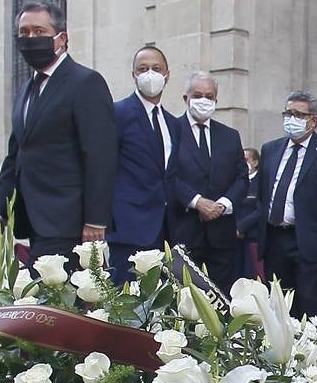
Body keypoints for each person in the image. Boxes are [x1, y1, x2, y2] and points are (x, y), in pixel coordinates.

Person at [0, 0, 117, 261]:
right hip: (34, 221)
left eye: (39, 31)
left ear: (61, 38)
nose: (30, 38)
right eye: (24, 32)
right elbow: (16, 156)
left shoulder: (85, 83)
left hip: (72, 224)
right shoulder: (26, 89)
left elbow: (100, 155)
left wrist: (96, 220)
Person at [258, 90, 317, 319]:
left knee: (311, 307)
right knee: (279, 308)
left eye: (298, 114)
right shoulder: (270, 149)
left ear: (313, 120)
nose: (291, 119)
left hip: (310, 242)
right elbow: (262, 193)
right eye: (288, 113)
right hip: (275, 239)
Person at [166, 72, 249, 294]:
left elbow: (241, 178)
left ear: (216, 100)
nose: (204, 100)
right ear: (186, 98)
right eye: (198, 95)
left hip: (221, 234)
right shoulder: (170, 130)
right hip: (183, 231)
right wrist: (197, 202)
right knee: (182, 297)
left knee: (220, 300)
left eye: (209, 96)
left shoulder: (230, 135)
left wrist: (221, 205)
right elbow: (167, 175)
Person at [108, 45, 180, 285]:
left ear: (167, 74)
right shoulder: (117, 113)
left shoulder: (173, 123)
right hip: (129, 230)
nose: (150, 73)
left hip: (166, 233)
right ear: (134, 74)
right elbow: (104, 168)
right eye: (143, 68)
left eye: (156, 68)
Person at [236, 147, 264, 279]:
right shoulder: (237, 180)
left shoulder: (260, 181)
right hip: (235, 237)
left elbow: (261, 209)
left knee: (252, 274)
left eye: (246, 159)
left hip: (253, 236)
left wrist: (241, 227)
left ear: (255, 162)